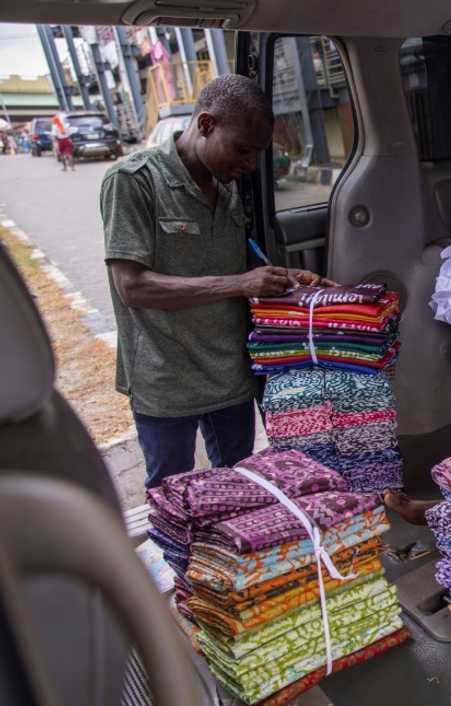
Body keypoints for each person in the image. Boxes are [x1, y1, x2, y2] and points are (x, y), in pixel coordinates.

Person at [100, 74, 334, 490]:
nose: (248, 165)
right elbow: (133, 287)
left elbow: (244, 266)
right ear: (206, 125)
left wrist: (290, 279)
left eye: (257, 154)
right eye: (242, 150)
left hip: (230, 376)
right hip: (166, 381)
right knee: (172, 495)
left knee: (240, 487)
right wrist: (240, 284)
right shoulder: (134, 180)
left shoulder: (227, 192)